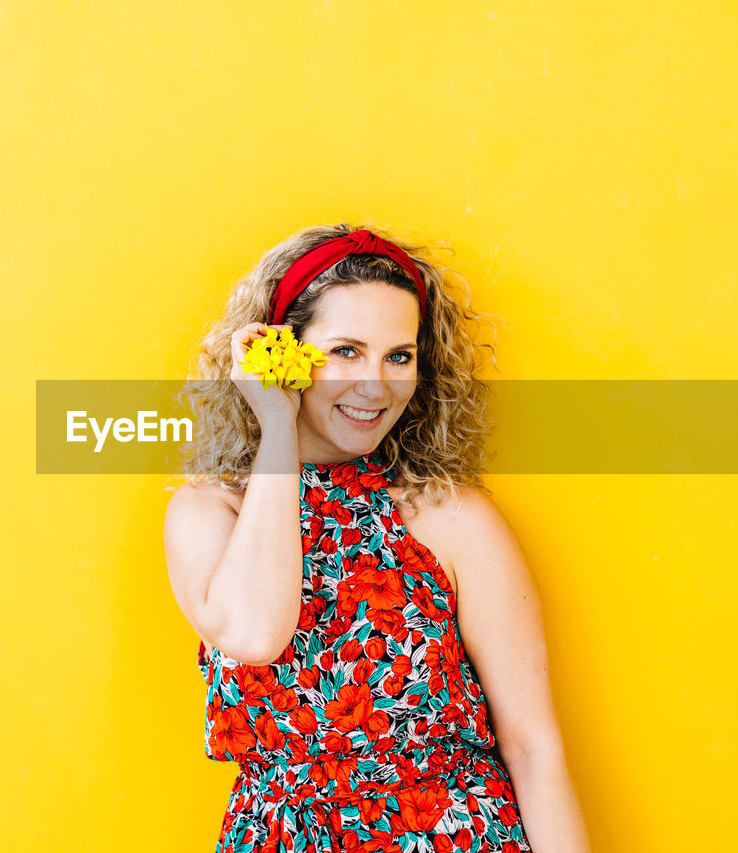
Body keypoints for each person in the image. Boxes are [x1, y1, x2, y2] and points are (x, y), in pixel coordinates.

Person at [165, 223, 590, 852]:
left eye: (399, 355)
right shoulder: (209, 513)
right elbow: (255, 634)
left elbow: (532, 748)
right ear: (283, 354)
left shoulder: (450, 518)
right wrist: (277, 429)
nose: (376, 385)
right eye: (345, 351)